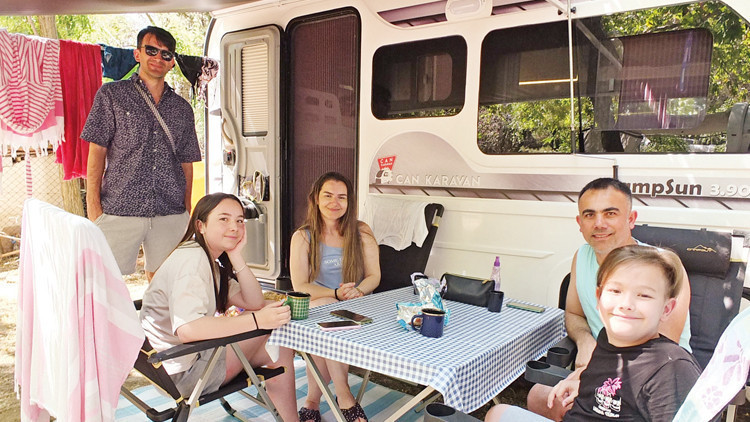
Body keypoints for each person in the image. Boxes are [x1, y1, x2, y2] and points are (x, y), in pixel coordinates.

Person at [527, 178, 692, 420]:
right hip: (602, 364)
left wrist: (590, 375)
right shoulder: (582, 256)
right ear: (579, 223)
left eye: (610, 213)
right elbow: (574, 313)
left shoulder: (662, 267)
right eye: (589, 215)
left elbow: (656, 351)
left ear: (631, 219)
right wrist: (586, 342)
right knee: (537, 396)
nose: (599, 223)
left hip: (646, 384)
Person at [486, 244, 702, 422]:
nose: (626, 304)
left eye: (644, 295)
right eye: (616, 291)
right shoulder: (608, 339)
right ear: (599, 298)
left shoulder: (671, 369)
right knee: (498, 413)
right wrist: (582, 384)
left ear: (666, 309)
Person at [139, 193, 299, 421]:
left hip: (175, 365)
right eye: (224, 219)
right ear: (201, 226)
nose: (234, 227)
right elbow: (188, 329)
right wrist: (258, 321)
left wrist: (236, 256)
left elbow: (253, 302)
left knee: (279, 344)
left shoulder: (208, 259)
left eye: (240, 220)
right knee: (276, 335)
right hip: (183, 373)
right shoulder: (192, 261)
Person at [82, 26, 201, 279]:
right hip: (119, 208)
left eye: (166, 54)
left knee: (166, 282)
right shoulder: (112, 95)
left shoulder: (182, 109)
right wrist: (93, 206)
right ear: (137, 54)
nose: (158, 58)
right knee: (105, 283)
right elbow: (96, 151)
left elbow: (187, 162)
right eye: (151, 50)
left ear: (172, 63)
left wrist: (186, 209)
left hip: (169, 210)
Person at [289, 172, 380, 422]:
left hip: (355, 304)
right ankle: (344, 396)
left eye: (342, 197)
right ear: (315, 199)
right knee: (328, 315)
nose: (334, 202)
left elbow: (374, 276)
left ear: (350, 202)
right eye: (328, 196)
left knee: (327, 330)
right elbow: (300, 286)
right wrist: (335, 294)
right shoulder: (303, 237)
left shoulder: (361, 231)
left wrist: (359, 290)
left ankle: (311, 402)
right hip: (318, 305)